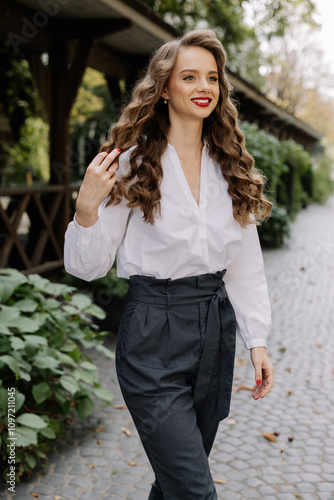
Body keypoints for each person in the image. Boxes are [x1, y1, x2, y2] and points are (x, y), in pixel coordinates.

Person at [64, 29, 274, 500]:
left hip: (213, 330)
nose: (204, 87)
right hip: (150, 336)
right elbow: (87, 268)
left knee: (176, 482)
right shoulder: (132, 165)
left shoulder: (230, 166)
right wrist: (86, 210)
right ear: (163, 88)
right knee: (196, 490)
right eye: (189, 76)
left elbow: (245, 265)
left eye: (212, 78)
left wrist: (256, 340)